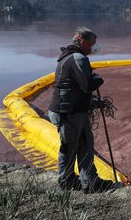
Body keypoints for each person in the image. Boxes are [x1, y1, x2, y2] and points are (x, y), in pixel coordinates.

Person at [47, 27, 119, 193]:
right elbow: (87, 85)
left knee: (85, 144)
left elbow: (74, 88)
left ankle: (90, 182)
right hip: (68, 113)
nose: (93, 47)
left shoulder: (69, 57)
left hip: (74, 111)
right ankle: (67, 181)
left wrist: (93, 101)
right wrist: (98, 79)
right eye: (91, 43)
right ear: (81, 41)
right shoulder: (78, 58)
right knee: (69, 148)